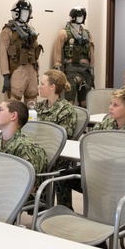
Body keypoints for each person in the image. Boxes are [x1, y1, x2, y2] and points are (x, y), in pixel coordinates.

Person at [36, 69, 77, 208]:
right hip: (40, 149)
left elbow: (63, 136)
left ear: (52, 87)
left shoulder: (66, 109)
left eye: (42, 84)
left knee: (35, 160)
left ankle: (52, 208)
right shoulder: (39, 107)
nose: (39, 87)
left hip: (59, 154)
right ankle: (37, 206)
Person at [0, 99, 47, 186]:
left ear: (13, 116)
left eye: (1, 110)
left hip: (18, 195)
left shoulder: (26, 147)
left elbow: (28, 185)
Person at [0, 0, 42, 103]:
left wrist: (37, 72)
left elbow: (35, 52)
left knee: (32, 102)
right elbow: (2, 55)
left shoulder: (31, 31)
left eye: (28, 12)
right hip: (16, 71)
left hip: (31, 70)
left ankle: (31, 120)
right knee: (13, 103)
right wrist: (6, 75)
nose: (26, 15)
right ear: (16, 13)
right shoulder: (7, 31)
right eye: (24, 12)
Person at [51, 6, 94, 106]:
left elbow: (91, 51)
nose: (80, 18)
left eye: (82, 16)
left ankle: (84, 120)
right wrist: (57, 68)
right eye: (78, 16)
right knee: (69, 98)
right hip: (71, 68)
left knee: (85, 100)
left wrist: (92, 68)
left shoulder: (87, 34)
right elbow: (57, 51)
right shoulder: (64, 32)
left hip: (85, 69)